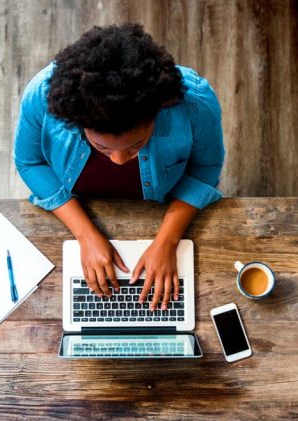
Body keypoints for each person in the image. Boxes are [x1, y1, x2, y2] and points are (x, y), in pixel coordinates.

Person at [14, 23, 224, 311]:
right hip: (80, 204)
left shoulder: (195, 103)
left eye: (136, 145)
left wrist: (168, 240)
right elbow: (30, 162)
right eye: (102, 148)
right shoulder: (42, 96)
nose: (120, 161)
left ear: (157, 113)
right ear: (77, 121)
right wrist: (85, 234)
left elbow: (206, 167)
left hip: (163, 203)